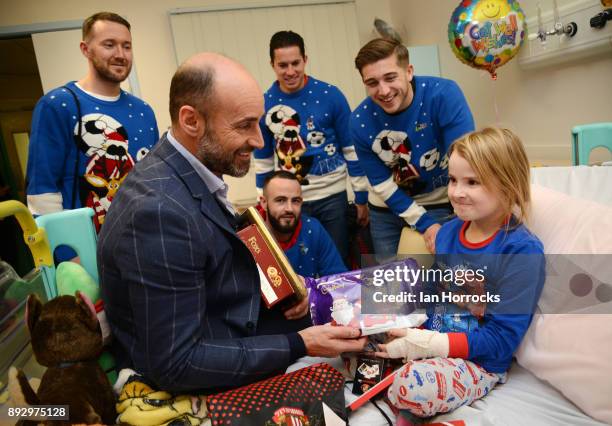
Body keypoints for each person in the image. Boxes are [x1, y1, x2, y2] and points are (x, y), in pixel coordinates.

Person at [98, 52, 366, 394]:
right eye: (244, 125)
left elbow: (214, 272)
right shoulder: (158, 211)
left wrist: (291, 293)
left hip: (243, 324)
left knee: (388, 295)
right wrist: (300, 344)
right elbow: (178, 363)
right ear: (192, 120)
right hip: (213, 368)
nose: (258, 140)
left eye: (258, 123)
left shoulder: (186, 175)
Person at [375, 127, 546, 421]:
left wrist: (429, 345)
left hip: (479, 361)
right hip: (431, 338)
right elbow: (434, 294)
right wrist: (403, 325)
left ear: (507, 184)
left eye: (472, 182)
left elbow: (502, 339)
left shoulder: (521, 251)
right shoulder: (449, 232)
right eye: (453, 180)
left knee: (409, 386)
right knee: (357, 341)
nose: (456, 192)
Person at [26, 12, 159, 233]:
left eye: (127, 46)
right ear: (85, 49)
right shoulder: (57, 105)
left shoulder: (143, 111)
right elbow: (42, 191)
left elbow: (153, 183)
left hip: (140, 243)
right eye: (109, 45)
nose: (120, 54)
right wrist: (69, 252)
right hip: (87, 248)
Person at [350, 38, 475, 259]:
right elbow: (381, 183)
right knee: (393, 284)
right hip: (386, 208)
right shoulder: (359, 120)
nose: (384, 90)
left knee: (438, 280)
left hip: (439, 202)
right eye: (372, 83)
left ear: (409, 71)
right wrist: (423, 223)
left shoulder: (444, 95)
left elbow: (466, 162)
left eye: (390, 78)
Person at [254, 30, 369, 267]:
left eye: (295, 63)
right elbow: (263, 160)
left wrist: (361, 197)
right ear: (272, 65)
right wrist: (261, 202)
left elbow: (351, 150)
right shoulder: (263, 104)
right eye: (282, 65)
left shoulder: (331, 95)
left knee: (335, 262)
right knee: (296, 264)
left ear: (305, 59)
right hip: (292, 200)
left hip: (332, 197)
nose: (290, 71)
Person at [259, 170, 347, 278]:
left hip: (309, 294)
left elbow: (339, 279)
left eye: (295, 201)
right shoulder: (249, 235)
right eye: (280, 200)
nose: (289, 209)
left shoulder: (313, 229)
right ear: (264, 202)